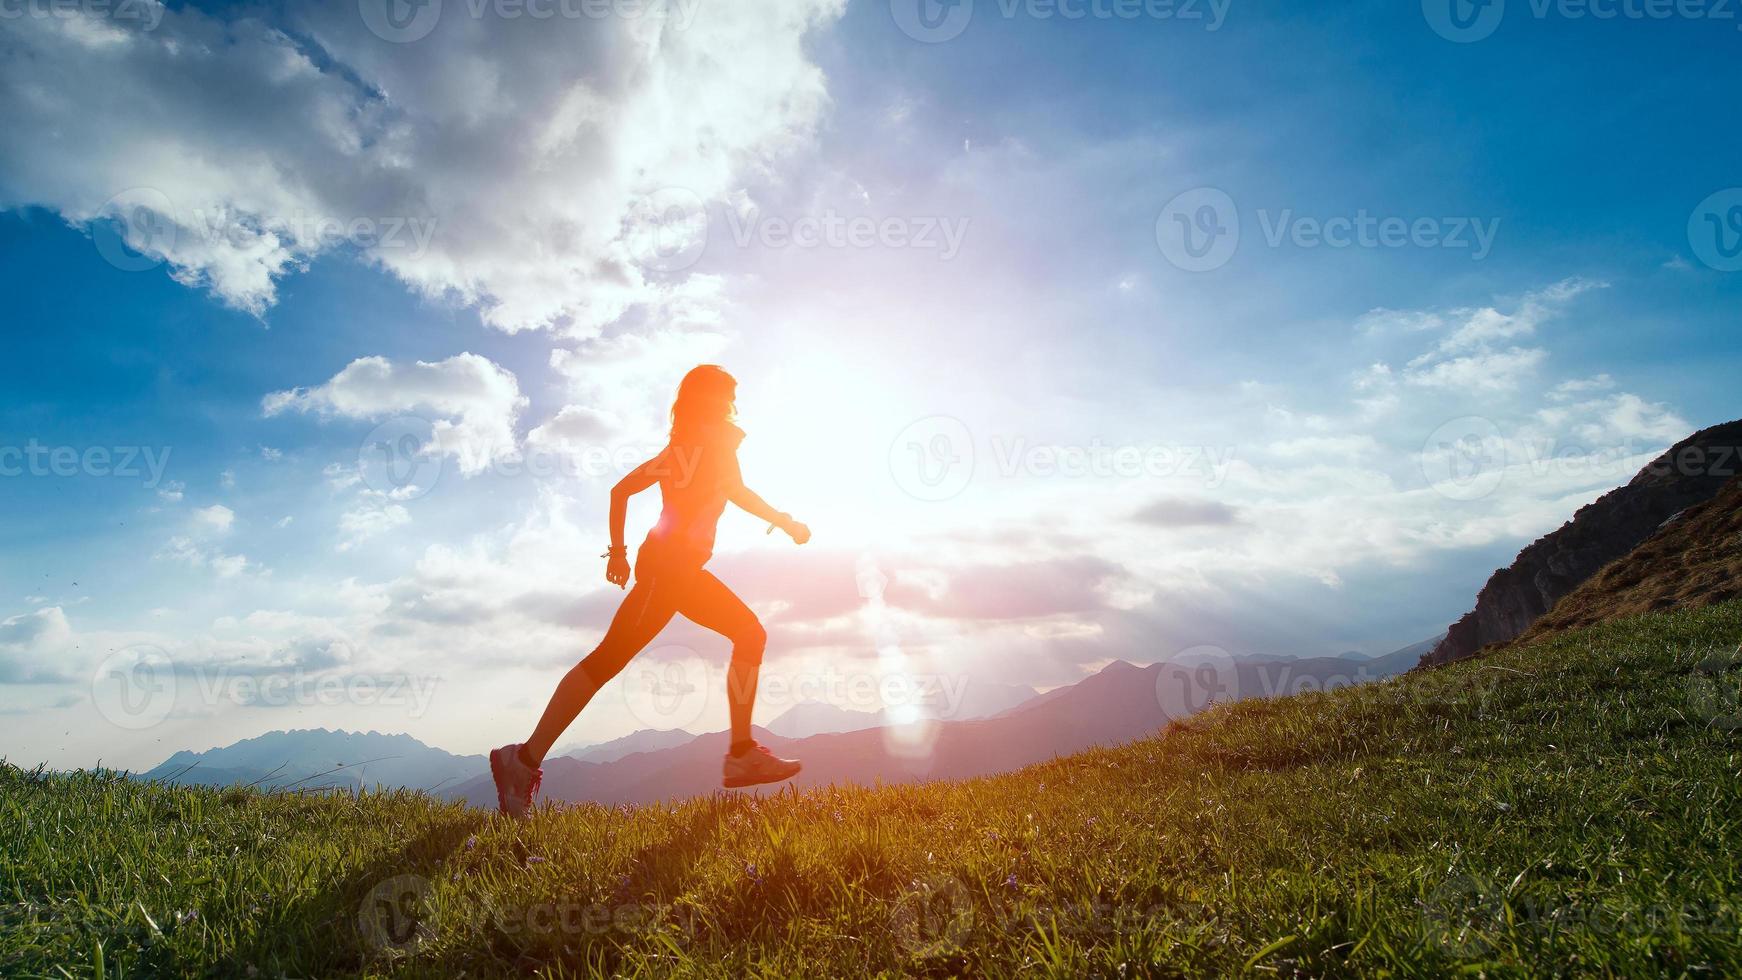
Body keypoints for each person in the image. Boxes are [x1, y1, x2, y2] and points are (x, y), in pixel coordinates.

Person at [489, 365, 810, 818]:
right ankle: (520, 761)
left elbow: (711, 491)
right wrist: (617, 553)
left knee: (746, 635)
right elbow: (635, 491)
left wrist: (783, 521)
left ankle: (740, 753)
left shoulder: (690, 448)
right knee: (608, 660)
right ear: (707, 400)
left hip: (676, 570)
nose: (731, 405)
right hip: (668, 569)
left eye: (731, 398)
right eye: (724, 397)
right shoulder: (702, 446)